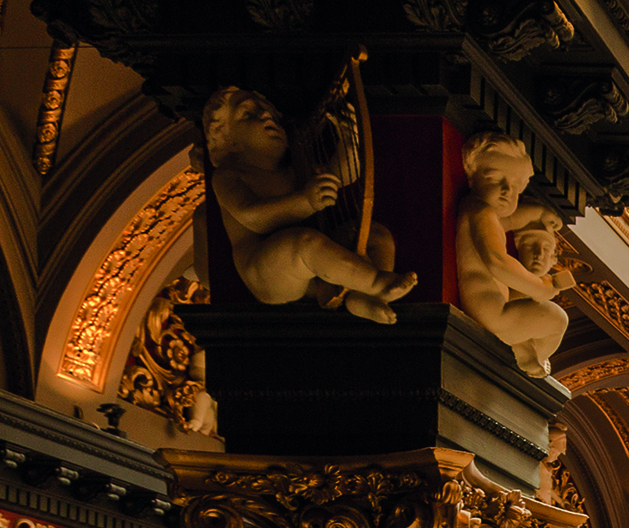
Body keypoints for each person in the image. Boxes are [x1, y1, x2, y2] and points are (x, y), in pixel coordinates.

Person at [202, 85, 415, 322]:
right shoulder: (228, 175)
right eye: (248, 114)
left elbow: (340, 176)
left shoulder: (294, 171)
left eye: (269, 112)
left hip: (318, 265)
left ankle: (361, 296)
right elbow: (253, 217)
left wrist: (348, 142)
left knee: (375, 234)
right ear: (229, 141)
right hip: (267, 273)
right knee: (303, 243)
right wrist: (306, 201)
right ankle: (375, 283)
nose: (265, 115)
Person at [453, 133, 569, 377]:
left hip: (493, 308)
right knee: (557, 320)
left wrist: (538, 213)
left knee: (529, 306)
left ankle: (522, 348)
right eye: (496, 179)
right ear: (472, 177)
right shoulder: (480, 212)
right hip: (490, 313)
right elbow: (497, 262)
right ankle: (523, 357)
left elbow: (509, 221)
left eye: (515, 187)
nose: (507, 191)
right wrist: (539, 287)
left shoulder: (481, 212)